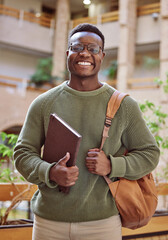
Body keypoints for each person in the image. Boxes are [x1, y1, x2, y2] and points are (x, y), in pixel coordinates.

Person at [14, 23, 160, 240]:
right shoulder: (43, 103)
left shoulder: (124, 106)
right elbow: (22, 154)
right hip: (48, 222)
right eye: (77, 47)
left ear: (102, 56)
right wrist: (50, 172)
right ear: (67, 54)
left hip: (102, 223)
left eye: (92, 49)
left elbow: (150, 154)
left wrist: (112, 165)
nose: (84, 53)